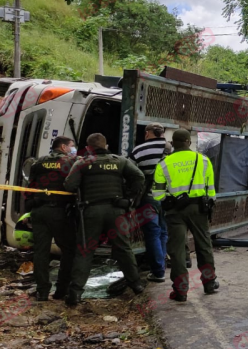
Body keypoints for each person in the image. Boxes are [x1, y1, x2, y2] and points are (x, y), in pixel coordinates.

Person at [64, 133, 146, 306]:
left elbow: (70, 185)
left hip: (91, 211)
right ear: (106, 145)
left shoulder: (82, 163)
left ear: (88, 148)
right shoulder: (120, 161)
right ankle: (136, 285)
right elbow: (139, 177)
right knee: (123, 248)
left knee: (85, 251)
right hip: (116, 210)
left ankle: (75, 294)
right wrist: (130, 199)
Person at [153, 129, 218, 302]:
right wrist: (209, 203)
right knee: (204, 246)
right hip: (199, 210)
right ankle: (209, 283)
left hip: (175, 212)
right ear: (189, 142)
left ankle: (181, 291)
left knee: (177, 250)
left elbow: (157, 195)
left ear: (173, 143)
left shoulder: (163, 164)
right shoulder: (203, 160)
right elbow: (211, 189)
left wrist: (171, 199)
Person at [26, 137, 77, 301]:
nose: (72, 149)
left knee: (41, 252)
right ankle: (61, 290)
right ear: (63, 147)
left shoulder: (39, 162)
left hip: (39, 211)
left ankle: (42, 292)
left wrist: (31, 204)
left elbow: (30, 186)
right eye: (71, 146)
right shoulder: (70, 162)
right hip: (60, 212)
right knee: (69, 250)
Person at [129, 123, 168, 283]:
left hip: (148, 198)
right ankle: (161, 267)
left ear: (147, 133)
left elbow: (130, 174)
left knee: (152, 233)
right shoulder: (171, 149)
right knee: (164, 232)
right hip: (168, 197)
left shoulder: (138, 150)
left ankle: (158, 272)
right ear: (162, 133)